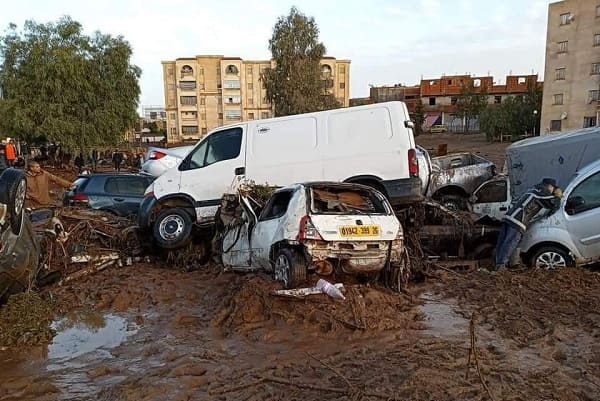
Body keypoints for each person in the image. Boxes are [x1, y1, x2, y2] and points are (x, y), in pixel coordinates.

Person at [494, 178, 563, 270]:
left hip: (509, 216)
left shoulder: (533, 188)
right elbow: (553, 204)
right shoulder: (543, 190)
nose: (553, 191)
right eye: (553, 189)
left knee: (504, 242)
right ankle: (500, 267)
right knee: (511, 242)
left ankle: (508, 263)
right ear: (550, 186)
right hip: (517, 219)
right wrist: (558, 196)